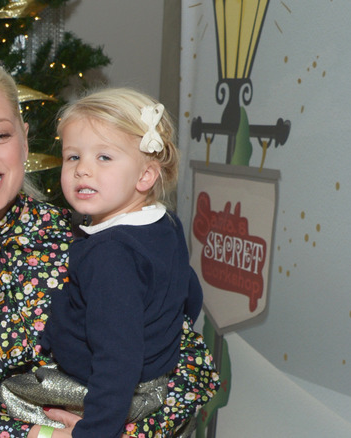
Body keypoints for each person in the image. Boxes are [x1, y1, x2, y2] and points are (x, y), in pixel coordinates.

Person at [0, 62, 218, 438]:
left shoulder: (92, 237)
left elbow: (188, 367)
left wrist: (120, 434)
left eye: (0, 135)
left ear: (24, 140)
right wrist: (38, 436)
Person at [38, 88, 205, 437]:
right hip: (154, 375)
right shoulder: (164, 221)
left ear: (145, 176)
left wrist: (95, 431)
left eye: (104, 157)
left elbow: (118, 358)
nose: (82, 170)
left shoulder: (110, 254)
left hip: (101, 392)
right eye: (73, 157)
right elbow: (188, 289)